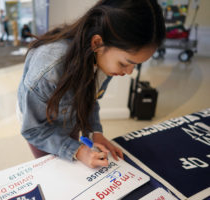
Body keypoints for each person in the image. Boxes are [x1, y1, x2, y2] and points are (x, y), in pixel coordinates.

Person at [17, 0, 165, 169]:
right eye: (125, 63)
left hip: (69, 117)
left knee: (73, 163)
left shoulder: (104, 61)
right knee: (56, 171)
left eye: (136, 65)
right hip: (40, 129)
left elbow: (90, 98)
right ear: (97, 43)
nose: (129, 72)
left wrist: (95, 133)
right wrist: (77, 150)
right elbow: (32, 130)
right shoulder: (48, 71)